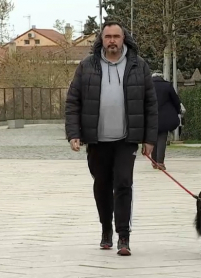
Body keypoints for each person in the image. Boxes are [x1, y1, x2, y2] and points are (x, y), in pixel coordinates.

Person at [65, 21, 158, 256]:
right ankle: (106, 229)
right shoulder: (87, 66)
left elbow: (150, 104)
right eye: (108, 37)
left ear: (124, 38)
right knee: (102, 185)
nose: (113, 41)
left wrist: (149, 139)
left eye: (117, 36)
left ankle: (123, 236)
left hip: (126, 139)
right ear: (101, 39)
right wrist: (74, 133)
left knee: (124, 184)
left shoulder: (139, 66)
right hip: (97, 139)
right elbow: (73, 101)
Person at [150, 72, 181, 170]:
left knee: (153, 139)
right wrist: (177, 111)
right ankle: (160, 162)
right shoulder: (167, 85)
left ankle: (154, 162)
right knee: (162, 139)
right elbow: (176, 100)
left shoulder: (147, 86)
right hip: (164, 117)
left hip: (151, 116)